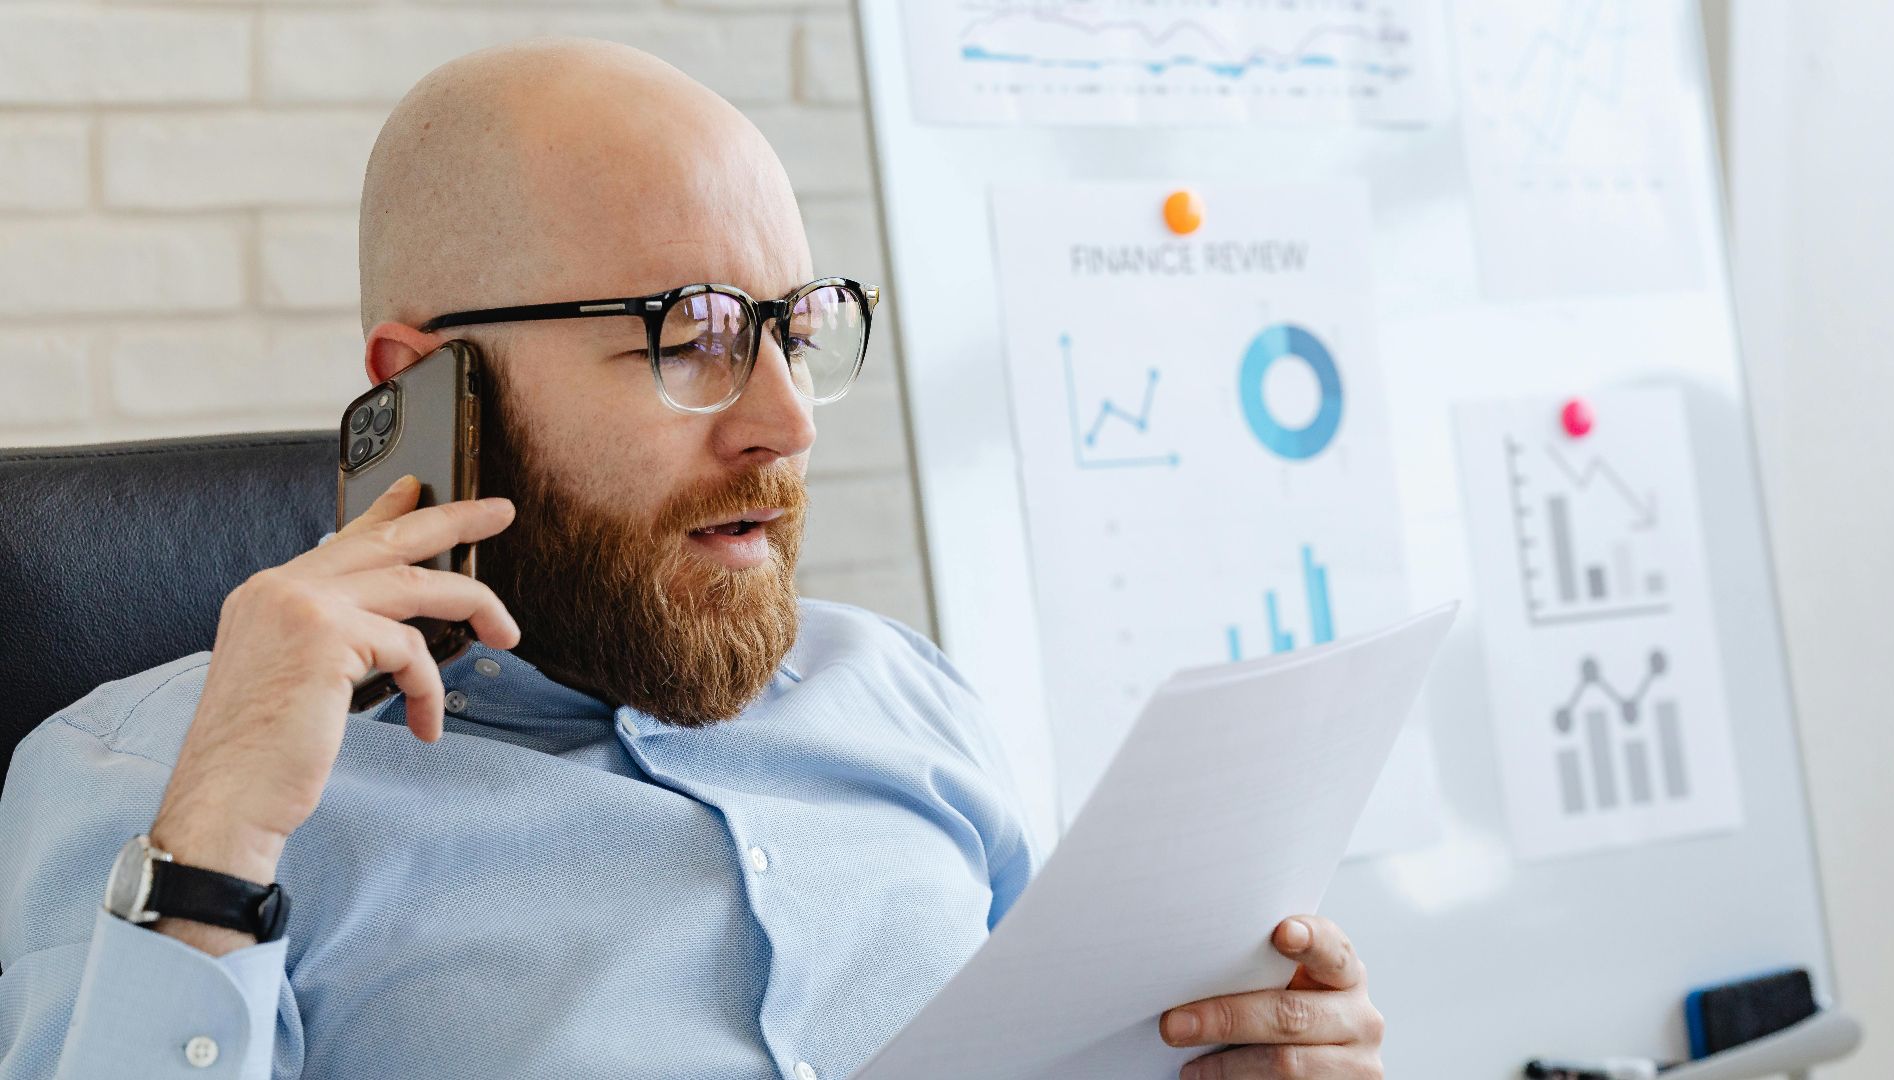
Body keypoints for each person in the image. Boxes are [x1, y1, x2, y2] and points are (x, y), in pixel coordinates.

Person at [0, 37, 1384, 1080]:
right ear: (432, 386)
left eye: (796, 327)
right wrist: (213, 861)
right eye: (693, 336)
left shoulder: (900, 695)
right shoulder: (159, 790)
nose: (783, 421)